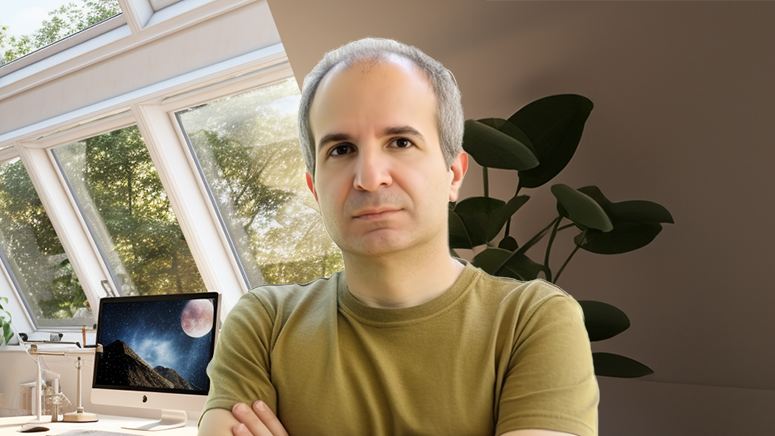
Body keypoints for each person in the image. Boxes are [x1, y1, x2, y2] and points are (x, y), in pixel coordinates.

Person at [198, 38, 598, 436]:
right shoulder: (263, 325)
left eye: (401, 142)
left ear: (454, 173)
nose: (370, 177)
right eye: (340, 149)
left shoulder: (533, 320)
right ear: (315, 188)